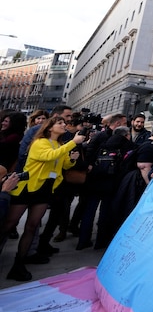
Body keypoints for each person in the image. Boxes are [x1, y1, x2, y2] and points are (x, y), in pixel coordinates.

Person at [1, 115, 86, 281]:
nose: (63, 125)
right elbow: (49, 156)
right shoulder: (40, 142)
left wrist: (71, 159)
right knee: (8, 225)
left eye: (64, 123)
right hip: (27, 188)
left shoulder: (60, 144)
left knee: (32, 227)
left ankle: (19, 263)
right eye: (60, 123)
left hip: (45, 190)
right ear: (49, 127)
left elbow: (62, 165)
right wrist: (73, 143)